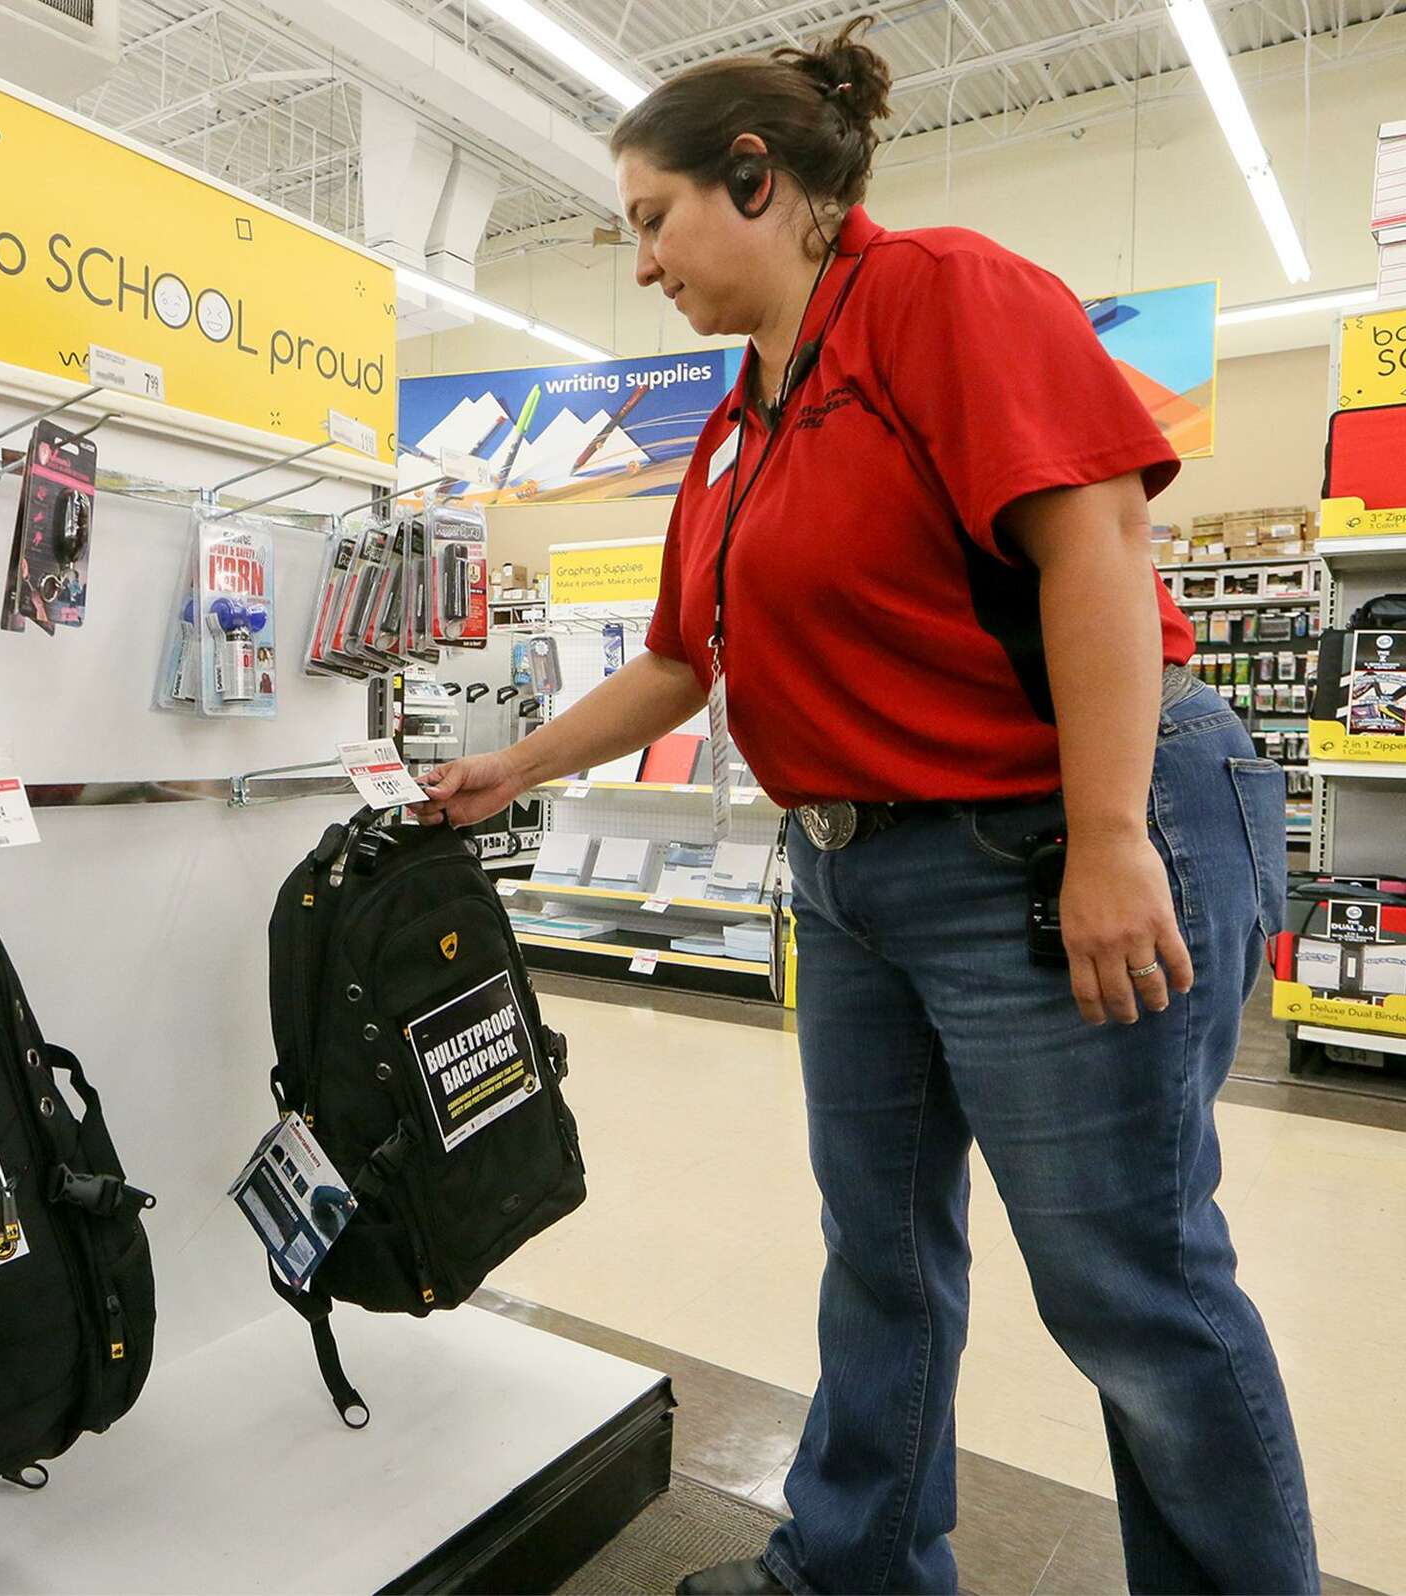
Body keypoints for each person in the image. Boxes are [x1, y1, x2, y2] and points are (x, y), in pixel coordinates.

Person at [416, 21, 1316, 1596]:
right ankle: (858, 1567)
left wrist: (1109, 836)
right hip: (852, 871)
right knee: (882, 1254)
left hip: (1050, 833)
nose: (639, 264)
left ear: (756, 181)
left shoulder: (939, 297)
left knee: (1132, 1287)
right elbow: (685, 665)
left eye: (651, 217)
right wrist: (516, 767)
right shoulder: (732, 429)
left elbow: (1093, 548)